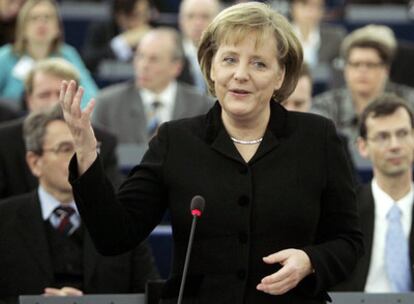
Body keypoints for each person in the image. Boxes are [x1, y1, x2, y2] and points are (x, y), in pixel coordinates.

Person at [61, 2, 363, 303]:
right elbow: (114, 236)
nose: (241, 74)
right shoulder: (175, 140)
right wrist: (87, 154)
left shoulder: (316, 137)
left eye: (259, 63)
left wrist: (311, 261)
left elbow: (349, 242)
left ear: (280, 76)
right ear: (211, 66)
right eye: (230, 59)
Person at [0, 105, 160, 304]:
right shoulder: (4, 221)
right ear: (35, 162)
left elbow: (150, 297)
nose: (79, 158)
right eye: (66, 149)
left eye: (87, 149)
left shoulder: (122, 218)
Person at [0, 57, 120, 199]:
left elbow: (110, 201)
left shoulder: (103, 140)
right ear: (28, 99)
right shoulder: (4, 140)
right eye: (44, 95)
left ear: (77, 97)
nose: (54, 103)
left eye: (62, 94)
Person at [333, 94, 414, 292]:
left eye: (402, 133)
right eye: (383, 137)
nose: (395, 145)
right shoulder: (344, 212)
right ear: (362, 146)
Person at [92, 27, 212, 145]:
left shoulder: (202, 107)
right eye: (140, 56)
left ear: (176, 67)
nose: (143, 65)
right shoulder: (107, 104)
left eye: (154, 59)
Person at [312, 24, 414, 143]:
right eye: (355, 64)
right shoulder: (324, 106)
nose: (362, 71)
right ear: (345, 69)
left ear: (386, 70)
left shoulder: (410, 101)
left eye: (370, 64)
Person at [0, 0, 97, 109]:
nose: (41, 23)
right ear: (22, 28)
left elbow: (90, 96)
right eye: (34, 18)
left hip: (60, 120)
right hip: (13, 122)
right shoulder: (5, 56)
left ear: (58, 28)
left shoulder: (68, 55)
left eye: (47, 17)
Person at [82, 0, 152, 74]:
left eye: (146, 14)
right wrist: (120, 43)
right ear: (120, 16)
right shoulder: (103, 28)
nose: (144, 20)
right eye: (137, 15)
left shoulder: (155, 29)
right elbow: (87, 61)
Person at [289, 0, 346, 81]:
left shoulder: (335, 37)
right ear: (292, 7)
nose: (310, 11)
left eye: (317, 6)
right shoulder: (280, 35)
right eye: (305, 5)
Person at [178, 0, 221, 92]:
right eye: (190, 16)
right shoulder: (171, 53)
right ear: (181, 21)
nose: (197, 23)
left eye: (205, 17)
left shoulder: (225, 54)